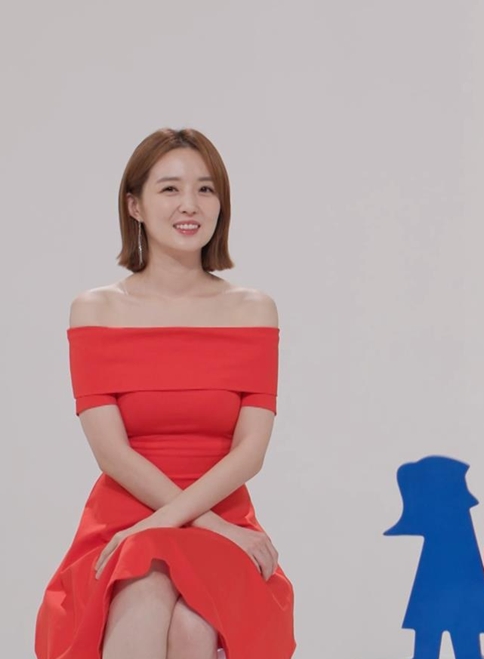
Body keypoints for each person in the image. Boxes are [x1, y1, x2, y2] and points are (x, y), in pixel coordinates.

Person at [35, 128, 295, 659]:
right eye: (170, 188)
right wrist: (184, 524)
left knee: (195, 625)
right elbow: (112, 453)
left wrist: (198, 525)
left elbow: (251, 451)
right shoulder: (96, 310)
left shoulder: (252, 310)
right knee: (144, 589)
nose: (190, 204)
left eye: (205, 189)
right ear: (134, 205)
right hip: (128, 517)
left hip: (224, 515)